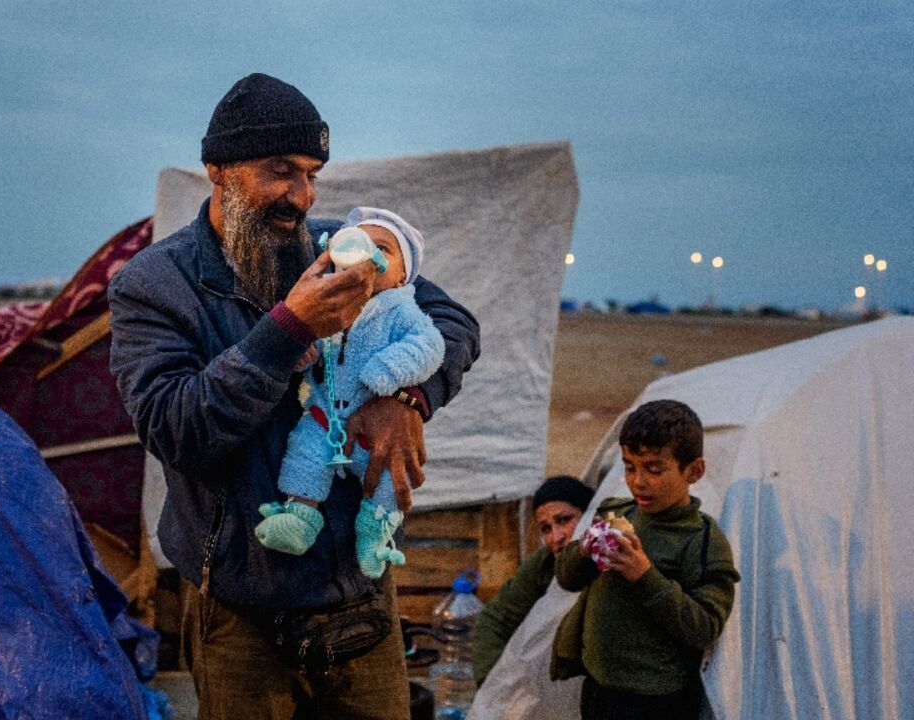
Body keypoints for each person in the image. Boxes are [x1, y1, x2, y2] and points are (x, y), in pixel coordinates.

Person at [107, 72, 480, 718]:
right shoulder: (154, 285)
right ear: (217, 171)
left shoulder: (347, 251)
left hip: (359, 603)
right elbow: (177, 430)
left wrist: (405, 399)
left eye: (311, 174)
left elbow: (453, 325)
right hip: (238, 618)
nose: (301, 197)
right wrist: (290, 329)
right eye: (280, 171)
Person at [255, 206, 445, 580]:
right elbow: (312, 344)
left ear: (403, 275)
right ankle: (299, 515)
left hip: (374, 426)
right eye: (359, 244)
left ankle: (375, 531)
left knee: (389, 476)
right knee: (304, 454)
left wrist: (388, 373)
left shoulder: (401, 311)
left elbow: (430, 345)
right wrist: (301, 353)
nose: (366, 254)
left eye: (383, 249)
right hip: (324, 415)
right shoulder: (329, 304)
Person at [550, 399, 740, 720]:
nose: (638, 481)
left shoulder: (702, 539)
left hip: (656, 700)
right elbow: (568, 579)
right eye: (629, 466)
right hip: (598, 686)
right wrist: (585, 548)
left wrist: (644, 575)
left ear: (694, 471)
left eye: (654, 469)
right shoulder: (616, 513)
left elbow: (706, 627)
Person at [470, 474, 593, 685]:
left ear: (589, 517)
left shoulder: (612, 555)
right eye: (546, 528)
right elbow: (496, 620)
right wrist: (491, 685)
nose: (557, 537)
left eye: (564, 520)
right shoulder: (545, 564)